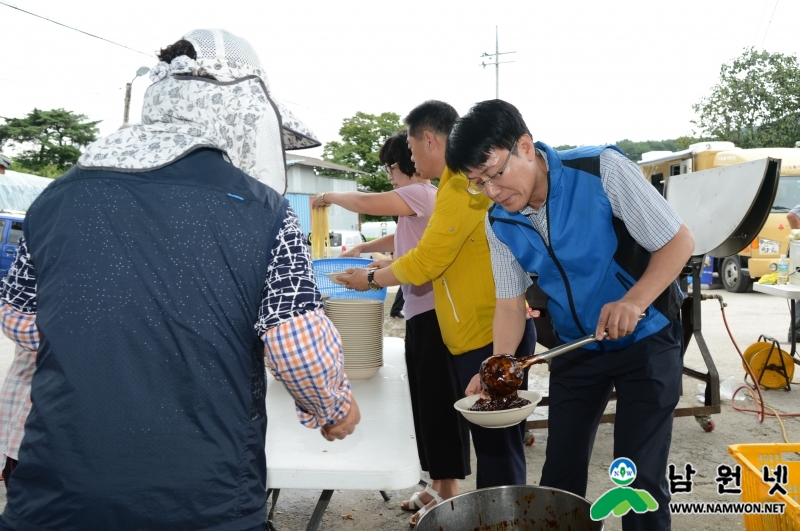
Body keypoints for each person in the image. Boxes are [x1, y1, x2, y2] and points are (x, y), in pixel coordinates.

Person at [0, 30, 359, 531]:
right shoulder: (263, 210)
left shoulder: (55, 198)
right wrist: (333, 407)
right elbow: (294, 343)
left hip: (56, 495)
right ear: (239, 112)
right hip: (202, 500)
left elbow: (20, 318)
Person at [445, 99, 695, 531]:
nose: (492, 192)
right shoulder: (498, 222)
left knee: (637, 479)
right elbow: (509, 303)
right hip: (576, 346)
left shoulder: (601, 170)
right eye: (477, 183)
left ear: (524, 146)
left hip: (647, 336)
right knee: (559, 476)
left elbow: (678, 242)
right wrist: (497, 367)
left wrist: (634, 301)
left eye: (495, 174)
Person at [337, 101, 537, 498]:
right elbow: (429, 252)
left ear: (430, 139)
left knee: (497, 448)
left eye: (411, 149)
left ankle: (502, 520)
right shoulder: (454, 184)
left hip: (489, 330)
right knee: (495, 444)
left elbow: (428, 260)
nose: (410, 158)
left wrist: (373, 277)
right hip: (478, 328)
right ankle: (496, 517)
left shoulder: (460, 185)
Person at [312, 131, 469, 525]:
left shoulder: (420, 191)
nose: (390, 175)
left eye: (392, 167)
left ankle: (449, 495)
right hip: (420, 311)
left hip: (434, 314)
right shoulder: (420, 202)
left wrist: (330, 197)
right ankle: (437, 484)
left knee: (436, 404)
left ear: (409, 163)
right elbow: (403, 240)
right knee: (424, 403)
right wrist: (363, 251)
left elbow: (367, 203)